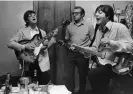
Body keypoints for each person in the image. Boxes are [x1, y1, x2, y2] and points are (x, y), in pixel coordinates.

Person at [80, 5, 133, 94]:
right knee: (97, 80)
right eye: (96, 12)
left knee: (93, 74)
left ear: (108, 15)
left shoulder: (119, 27)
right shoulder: (99, 30)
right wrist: (85, 50)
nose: (96, 14)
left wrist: (111, 42)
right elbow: (95, 48)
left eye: (100, 12)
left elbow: (130, 46)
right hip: (103, 63)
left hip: (120, 64)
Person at [7, 10, 58, 85]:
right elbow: (10, 43)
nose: (33, 16)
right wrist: (24, 46)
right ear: (27, 20)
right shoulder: (22, 31)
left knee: (43, 86)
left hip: (41, 64)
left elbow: (44, 48)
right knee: (29, 87)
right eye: (30, 15)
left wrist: (47, 43)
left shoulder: (42, 32)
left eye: (34, 15)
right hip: (28, 62)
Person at [64, 6, 94, 94]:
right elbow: (67, 40)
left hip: (83, 54)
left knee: (82, 76)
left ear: (82, 15)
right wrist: (68, 45)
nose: (74, 15)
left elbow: (93, 40)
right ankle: (70, 92)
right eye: (73, 13)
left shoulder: (89, 25)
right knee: (68, 76)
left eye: (77, 13)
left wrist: (88, 50)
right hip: (71, 54)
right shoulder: (69, 26)